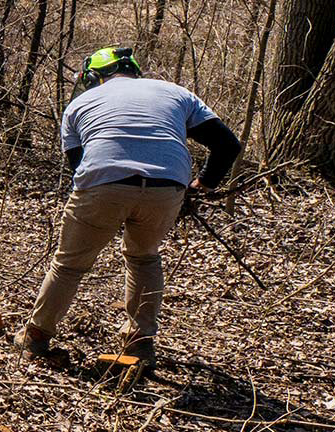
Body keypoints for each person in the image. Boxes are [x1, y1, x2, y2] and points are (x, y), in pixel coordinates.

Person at [16, 46, 243, 367]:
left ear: (95, 77)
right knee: (144, 258)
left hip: (102, 183)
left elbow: (79, 166)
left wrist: (113, 200)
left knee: (69, 264)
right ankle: (139, 345)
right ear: (133, 70)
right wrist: (203, 184)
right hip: (168, 186)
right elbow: (227, 145)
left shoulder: (78, 105)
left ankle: (36, 337)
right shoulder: (176, 93)